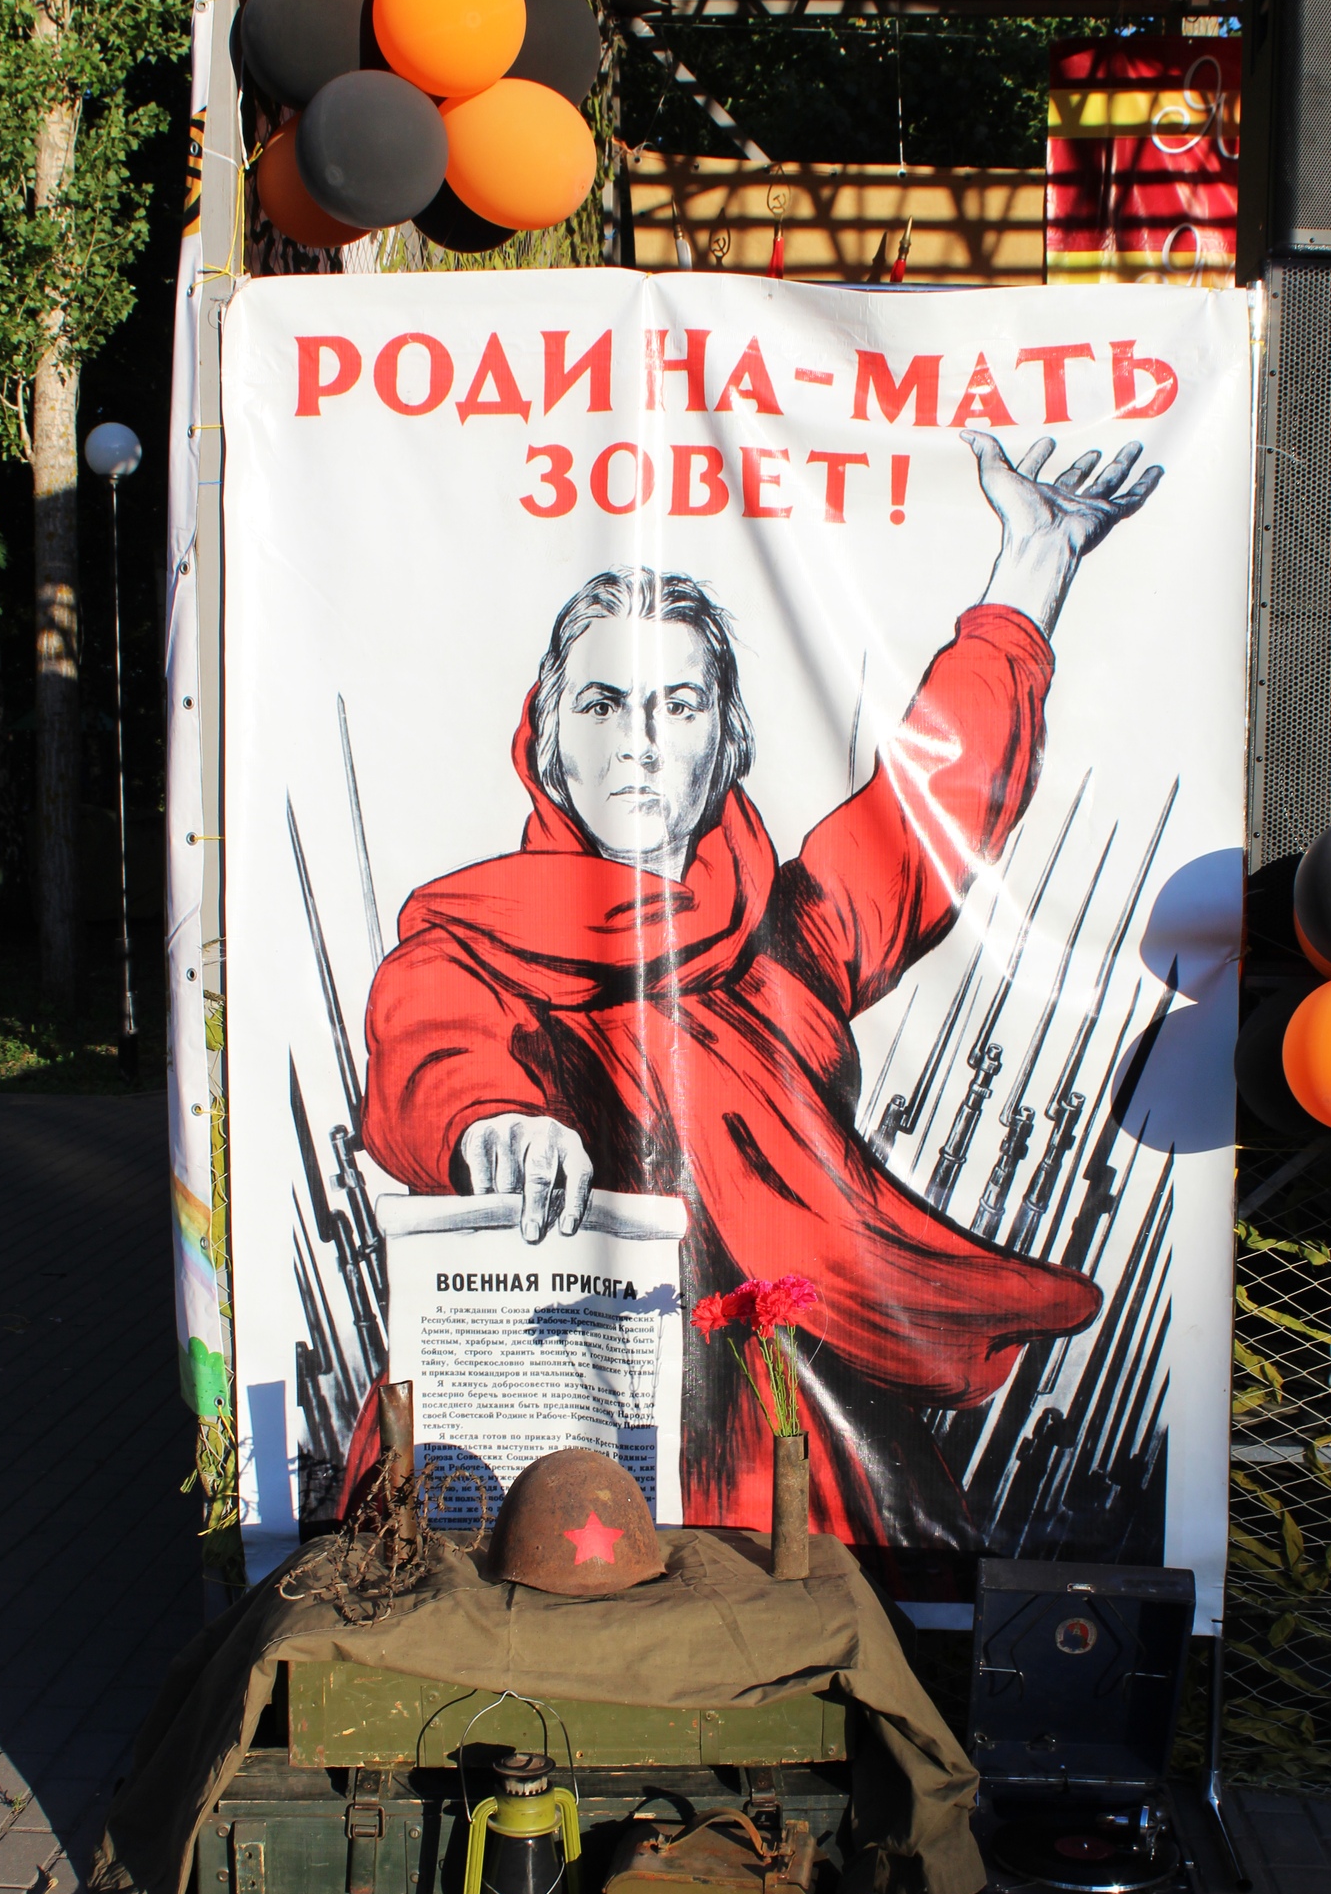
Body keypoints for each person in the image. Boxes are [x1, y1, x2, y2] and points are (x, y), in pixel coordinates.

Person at [360, 430, 1163, 1549]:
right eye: (602, 705)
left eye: (679, 705)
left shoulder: (787, 932)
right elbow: (434, 1041)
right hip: (551, 1413)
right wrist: (491, 1123)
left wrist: (1036, 565)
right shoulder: (470, 943)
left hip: (787, 1429)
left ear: (727, 738)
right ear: (547, 741)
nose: (641, 744)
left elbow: (934, 804)